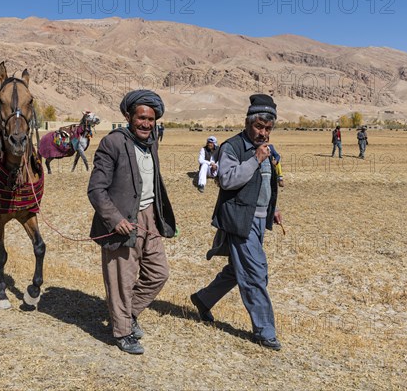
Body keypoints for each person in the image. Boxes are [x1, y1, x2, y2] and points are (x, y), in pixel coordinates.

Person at [190, 94, 284, 351]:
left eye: (267, 128)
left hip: (259, 218)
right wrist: (255, 159)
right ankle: (265, 331)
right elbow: (228, 180)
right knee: (255, 273)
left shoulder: (268, 149)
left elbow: (267, 183)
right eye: (258, 127)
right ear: (247, 123)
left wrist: (273, 209)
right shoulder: (232, 147)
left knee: (238, 269)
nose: (263, 133)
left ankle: (203, 299)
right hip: (239, 219)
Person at [87, 90, 176, 355]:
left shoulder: (152, 141)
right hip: (122, 219)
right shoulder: (112, 143)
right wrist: (114, 219)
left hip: (149, 216)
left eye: (151, 119)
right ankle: (122, 332)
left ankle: (127, 314)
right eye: (141, 118)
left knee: (159, 273)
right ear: (128, 116)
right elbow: (96, 189)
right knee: (121, 280)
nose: (147, 124)